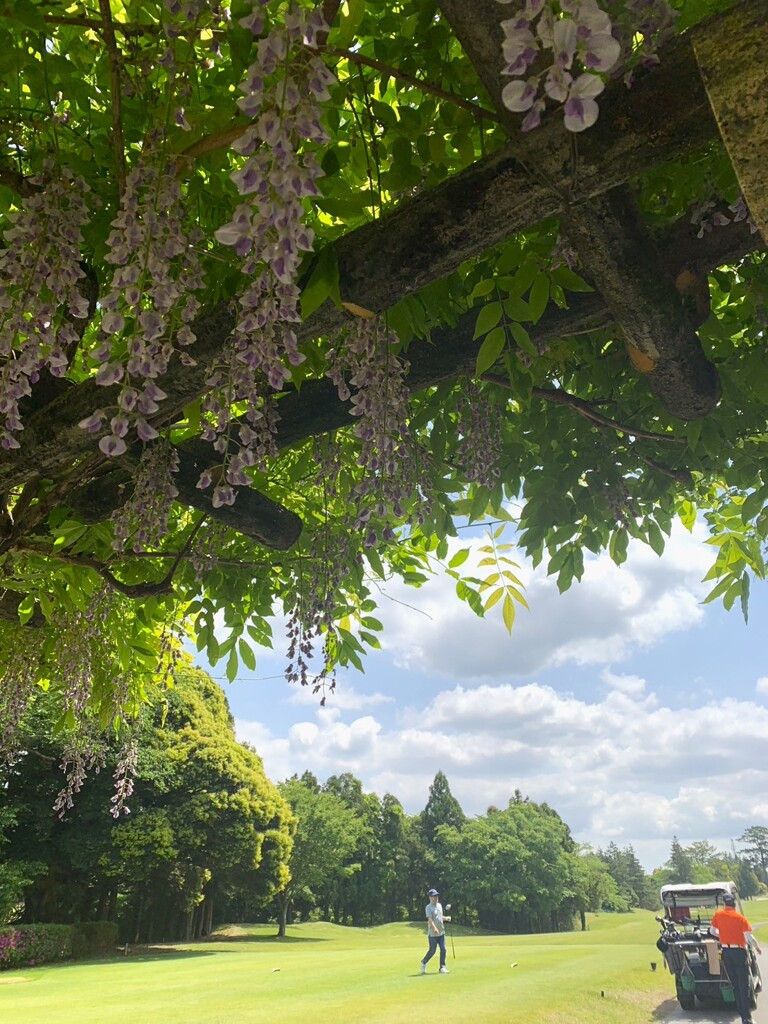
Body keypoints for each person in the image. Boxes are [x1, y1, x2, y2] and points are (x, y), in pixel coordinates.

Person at [709, 892, 763, 1024]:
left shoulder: (718, 915)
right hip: (739, 952)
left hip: (726, 952)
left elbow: (712, 931)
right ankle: (746, 1017)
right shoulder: (740, 918)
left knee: (735, 985)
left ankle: (742, 1012)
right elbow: (749, 938)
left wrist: (722, 936)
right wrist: (757, 948)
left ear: (724, 904)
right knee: (743, 984)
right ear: (734, 904)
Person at [420, 888, 451, 975]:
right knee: (432, 951)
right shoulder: (428, 907)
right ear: (430, 897)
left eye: (436, 896)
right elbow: (430, 919)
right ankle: (423, 963)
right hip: (433, 934)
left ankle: (442, 967)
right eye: (434, 896)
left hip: (441, 933)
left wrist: (446, 918)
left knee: (443, 949)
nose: (436, 897)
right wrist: (434, 928)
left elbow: (439, 917)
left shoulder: (439, 905)